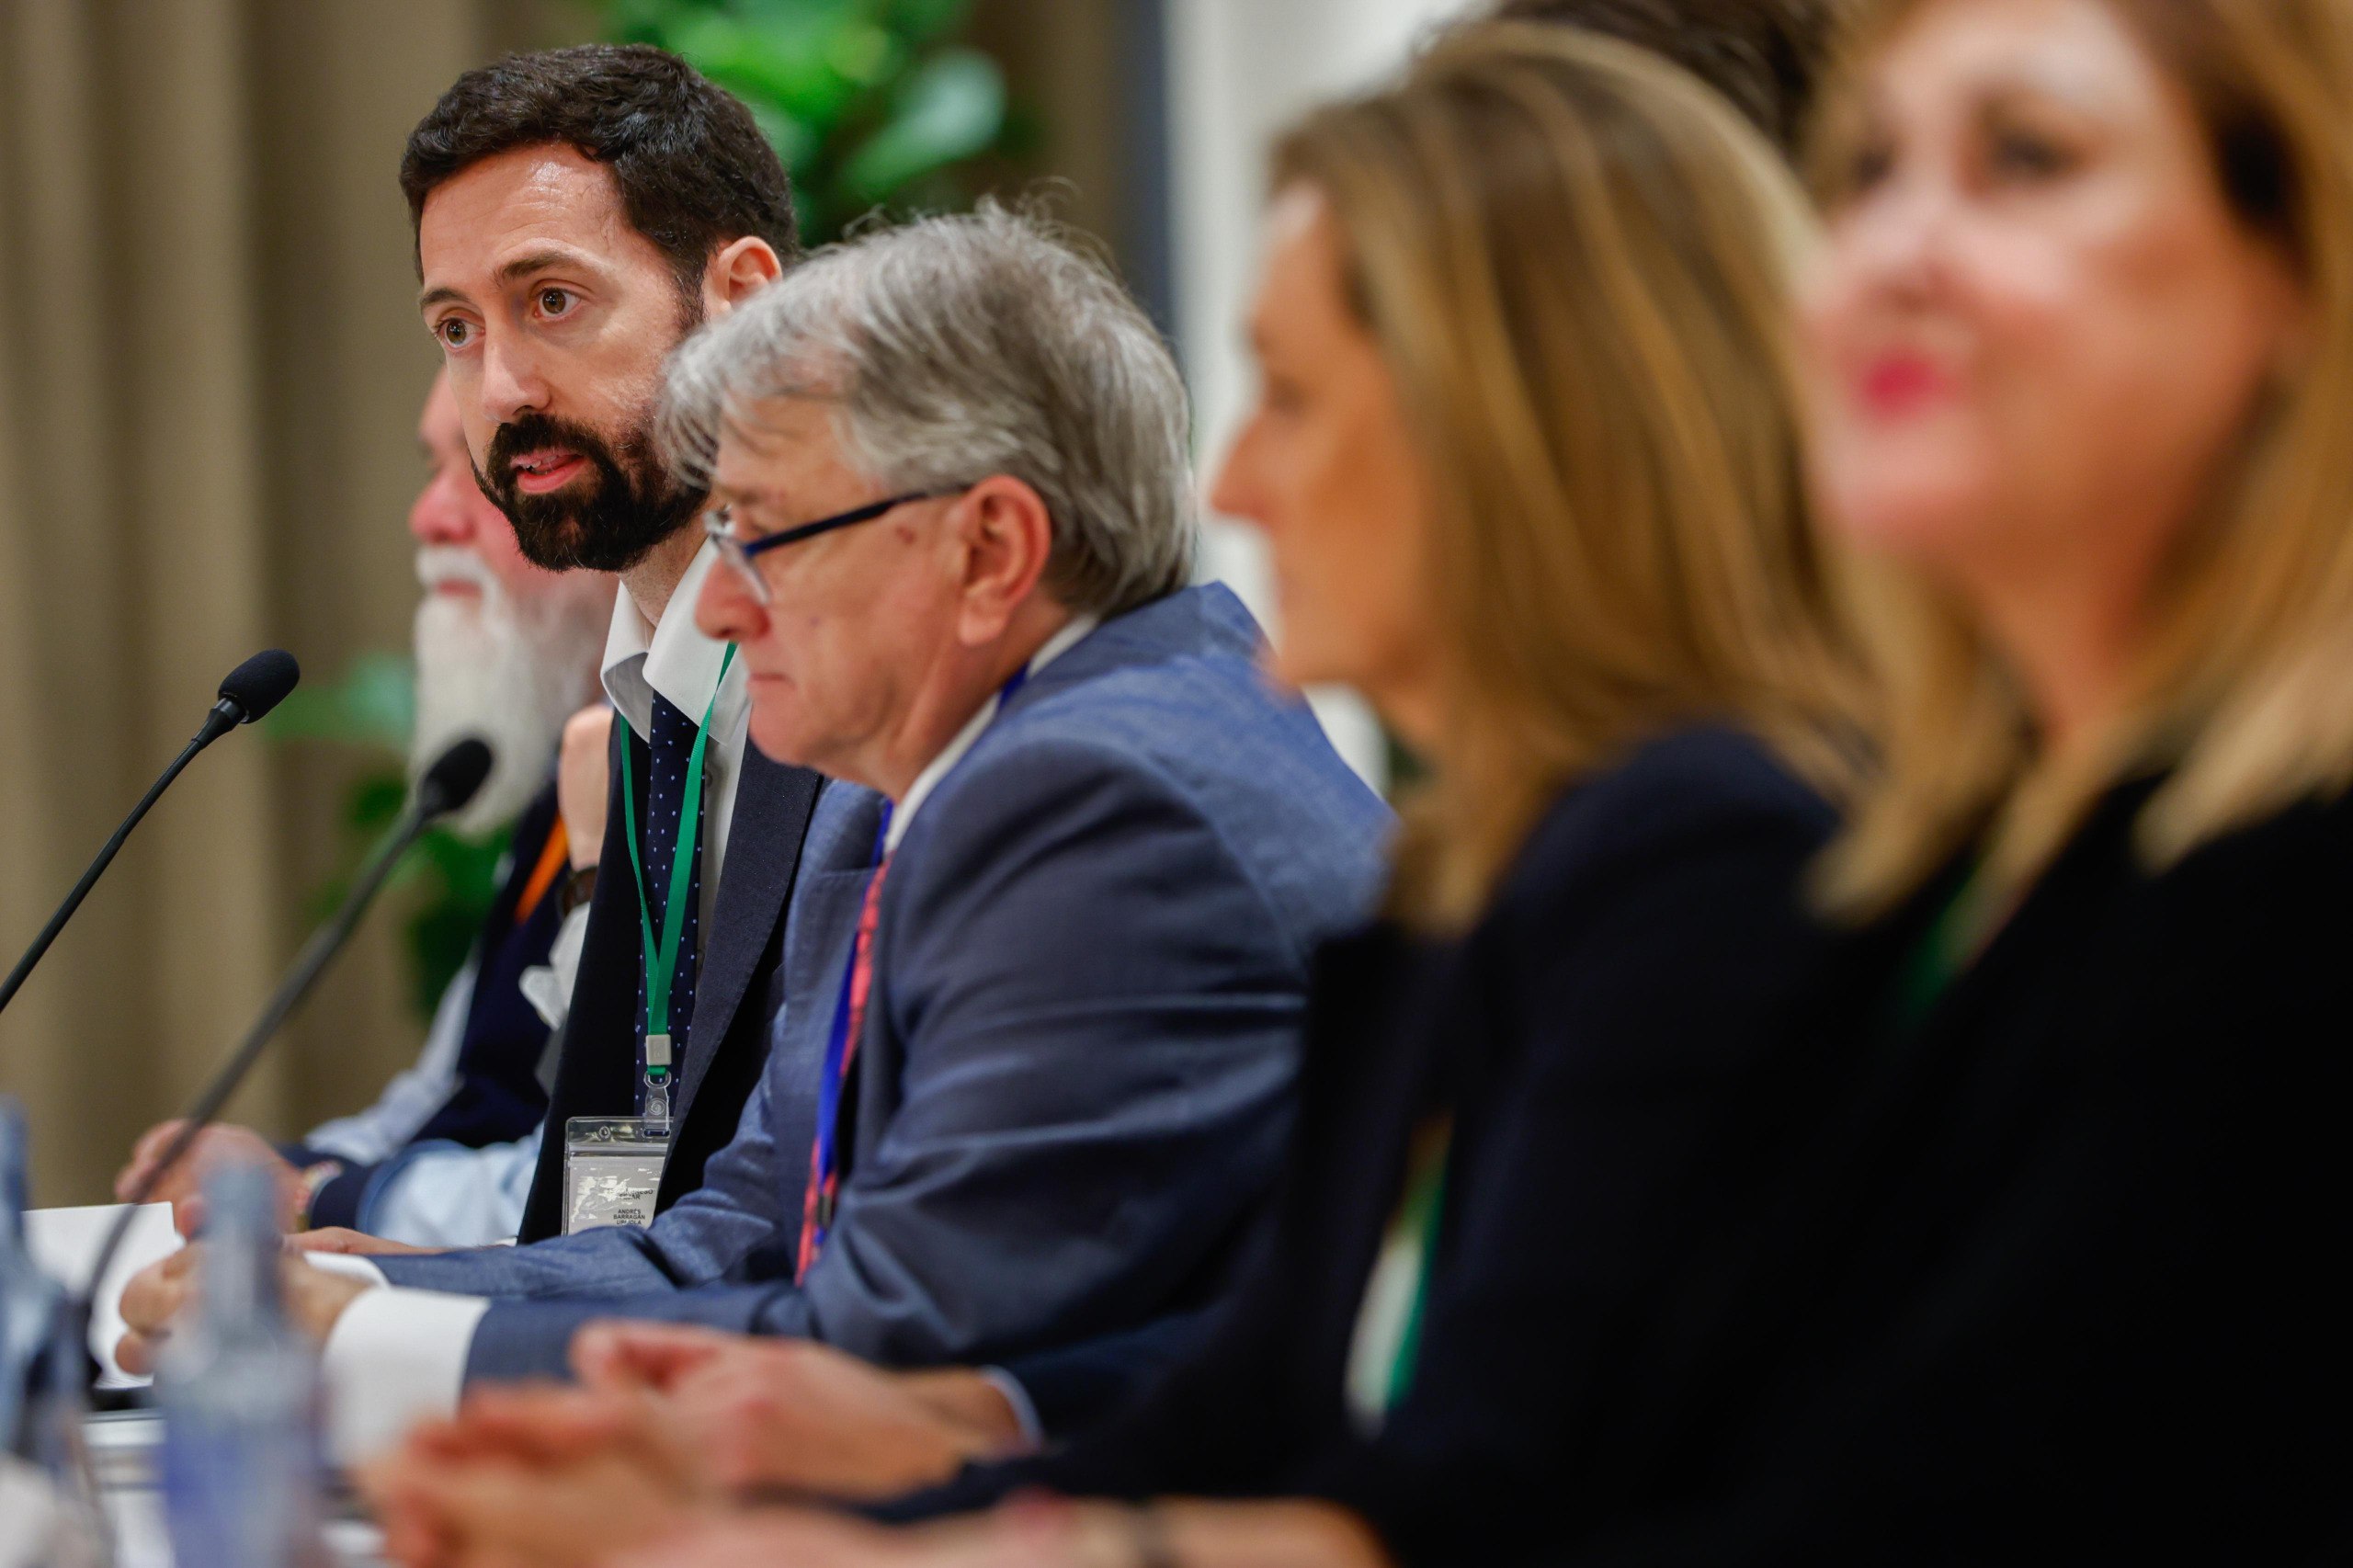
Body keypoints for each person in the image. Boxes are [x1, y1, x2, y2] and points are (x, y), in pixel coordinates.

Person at [359, 22, 1880, 1568]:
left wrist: (879, 1531)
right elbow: (1265, 1391)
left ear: (1522, 431)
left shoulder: (1663, 847)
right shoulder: (1481, 849)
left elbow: (1469, 1488)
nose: (1235, 484)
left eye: (1294, 396)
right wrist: (942, 1463)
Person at [112, 369, 609, 1247]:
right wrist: (276, 1168)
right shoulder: (554, 775)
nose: (431, 517)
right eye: (434, 469)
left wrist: (318, 1194)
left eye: (487, 473)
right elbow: (450, 1095)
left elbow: (613, 1185)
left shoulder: (685, 779)